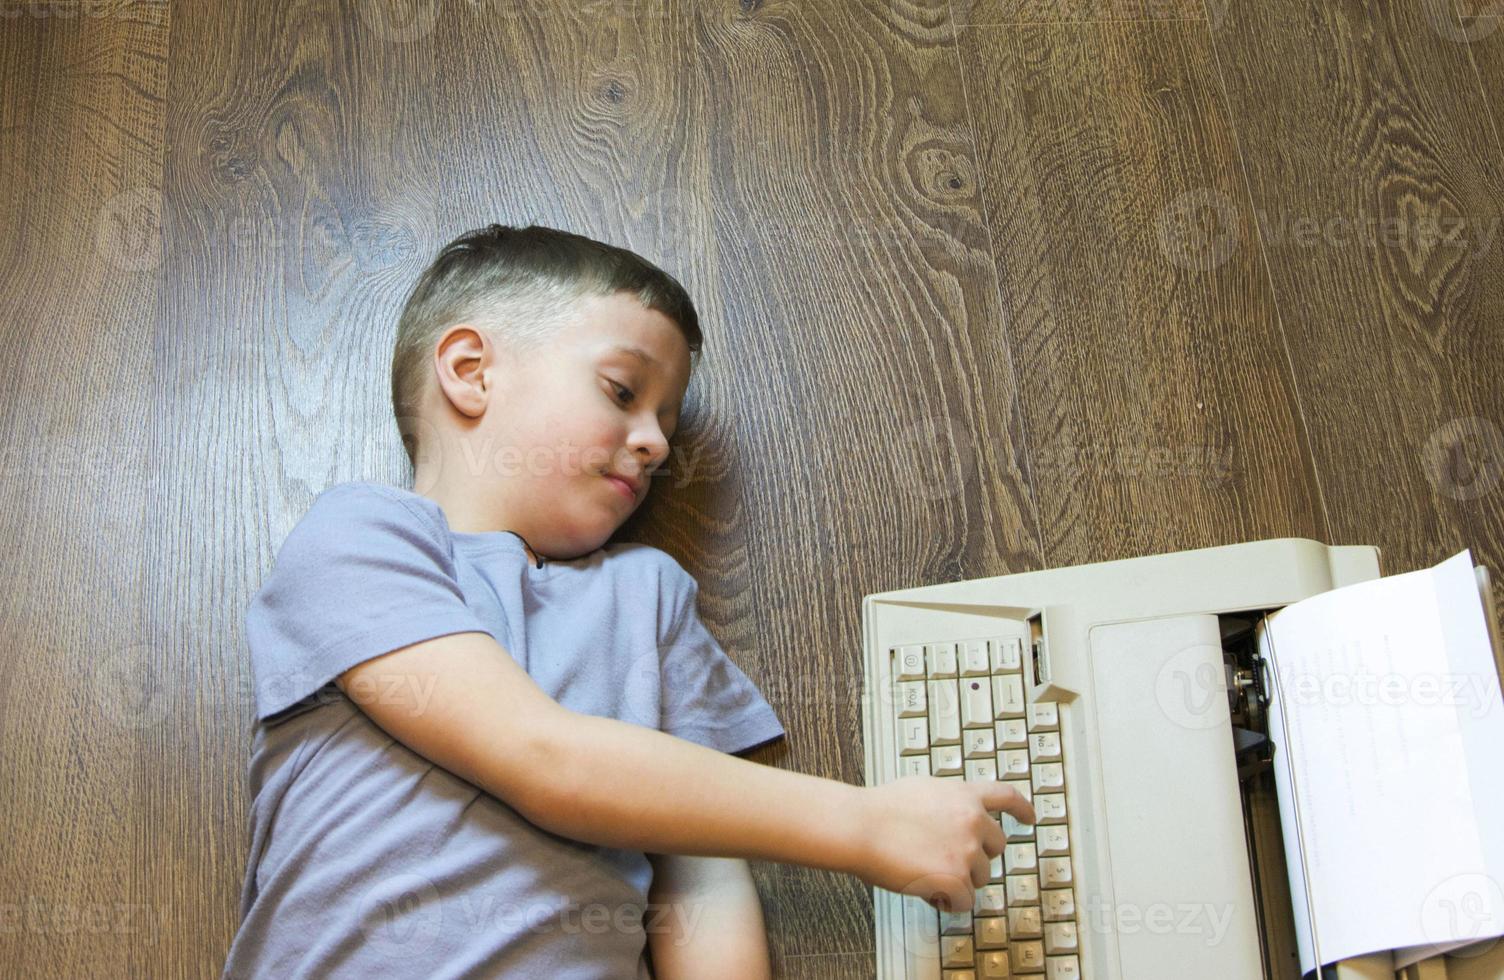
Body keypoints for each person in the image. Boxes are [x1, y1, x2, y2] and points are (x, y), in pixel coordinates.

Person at [222, 224, 1034, 979]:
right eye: (620, 392)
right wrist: (863, 825)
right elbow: (544, 758)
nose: (653, 444)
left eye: (666, 428)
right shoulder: (364, 535)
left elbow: (703, 866)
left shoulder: (648, 596)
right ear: (471, 372)